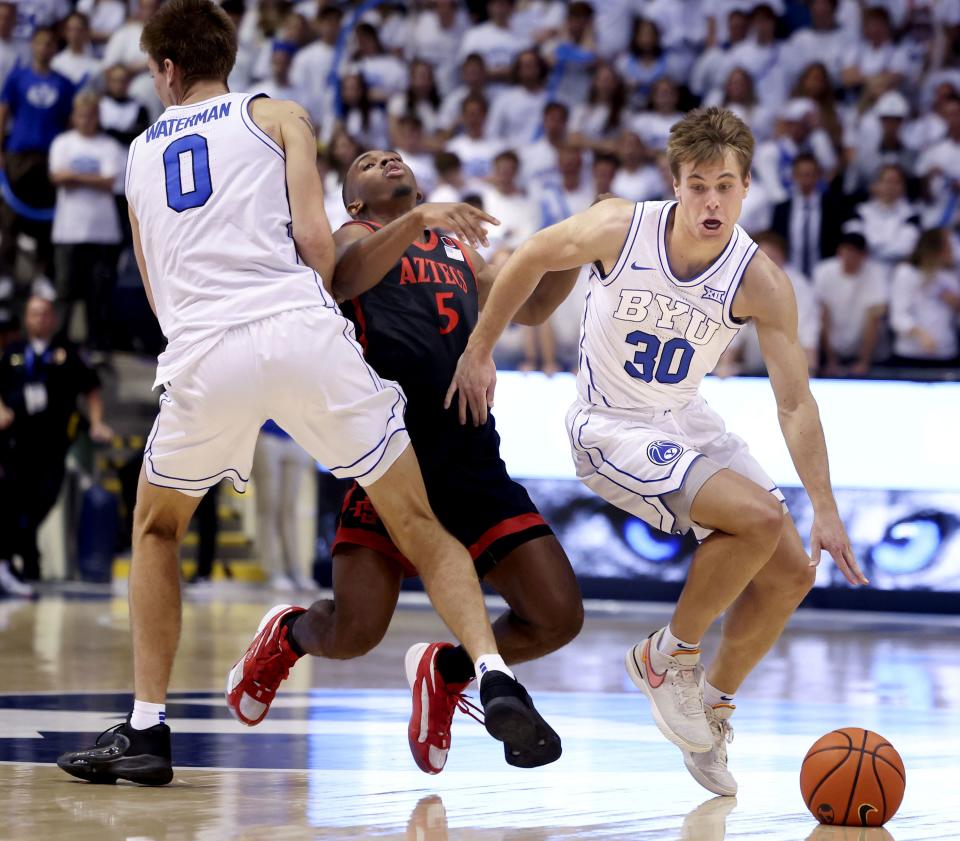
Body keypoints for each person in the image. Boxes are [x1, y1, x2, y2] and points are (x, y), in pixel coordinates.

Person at [56, 0, 558, 788]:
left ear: (163, 70)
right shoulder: (279, 113)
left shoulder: (137, 154)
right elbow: (318, 252)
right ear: (228, 55)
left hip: (202, 347)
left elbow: (156, 288)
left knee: (157, 528)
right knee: (419, 522)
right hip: (298, 330)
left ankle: (149, 726)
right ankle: (492, 673)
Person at [446, 107, 867, 797]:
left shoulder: (758, 278)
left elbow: (794, 401)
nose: (711, 201)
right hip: (608, 426)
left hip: (685, 421)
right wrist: (479, 349)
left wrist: (824, 506)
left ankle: (711, 710)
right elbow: (529, 257)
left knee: (792, 569)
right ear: (675, 183)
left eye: (725, 186)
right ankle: (667, 657)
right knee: (758, 520)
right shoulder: (622, 226)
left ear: (746, 187)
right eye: (698, 184)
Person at [270, 149, 582, 775]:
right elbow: (344, 280)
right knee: (356, 633)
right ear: (353, 199)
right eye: (369, 160)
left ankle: (446, 671)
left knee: (557, 617)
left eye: (395, 156)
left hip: (468, 451)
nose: (388, 157)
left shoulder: (456, 247)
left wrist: (576, 247)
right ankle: (289, 635)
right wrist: (418, 222)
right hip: (392, 456)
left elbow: (535, 305)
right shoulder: (349, 238)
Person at [0, 294, 112, 594]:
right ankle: (19, 567)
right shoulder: (13, 352)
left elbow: (91, 389)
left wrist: (98, 422)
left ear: (54, 318)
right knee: (13, 506)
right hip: (15, 447)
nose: (40, 319)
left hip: (52, 448)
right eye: (34, 313)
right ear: (26, 318)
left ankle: (14, 564)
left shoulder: (68, 353)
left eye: (46, 313)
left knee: (39, 506)